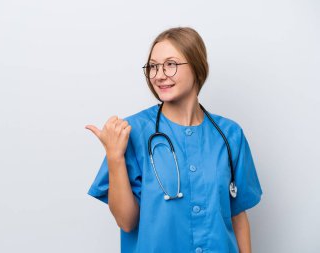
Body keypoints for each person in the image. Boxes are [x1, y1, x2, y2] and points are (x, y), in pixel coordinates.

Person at [85, 27, 262, 253]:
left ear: (197, 66)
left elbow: (237, 215)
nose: (159, 75)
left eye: (170, 64)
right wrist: (114, 156)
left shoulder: (229, 135)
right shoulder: (132, 132)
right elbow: (126, 222)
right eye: (153, 66)